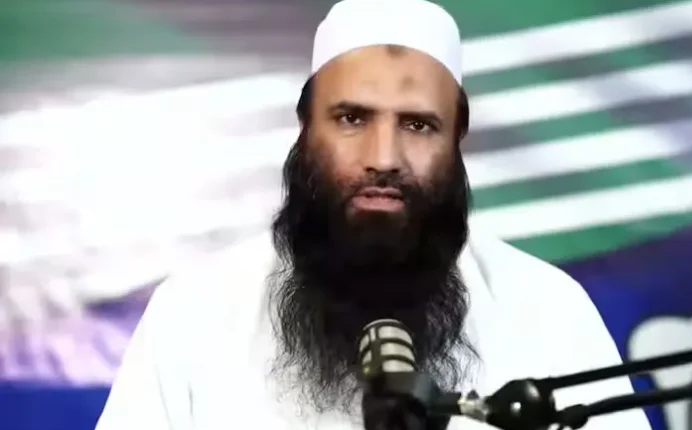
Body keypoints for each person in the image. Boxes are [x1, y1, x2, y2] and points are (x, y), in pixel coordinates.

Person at [95, 0, 653, 429]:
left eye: (418, 125)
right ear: (306, 126)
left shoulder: (549, 312)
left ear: (457, 138)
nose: (384, 158)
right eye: (352, 119)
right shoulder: (195, 312)